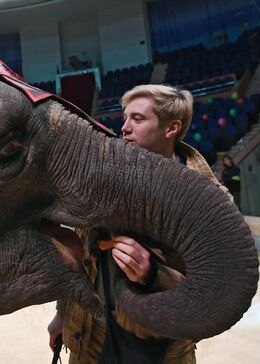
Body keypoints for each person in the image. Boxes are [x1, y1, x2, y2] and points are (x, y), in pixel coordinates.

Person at [47, 84, 231, 364]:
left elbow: (216, 289)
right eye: (125, 118)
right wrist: (62, 314)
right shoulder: (102, 180)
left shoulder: (212, 203)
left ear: (171, 128)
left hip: (160, 349)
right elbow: (79, 257)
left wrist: (153, 275)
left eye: (138, 119)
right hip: (89, 338)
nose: (124, 128)